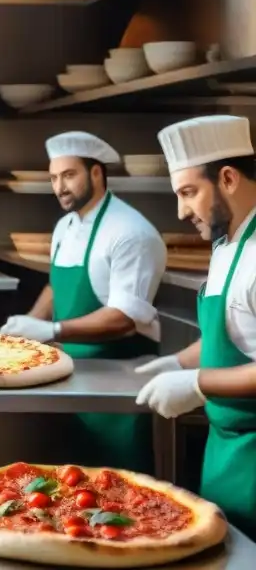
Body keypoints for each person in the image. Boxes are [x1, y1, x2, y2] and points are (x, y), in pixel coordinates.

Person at [0, 131, 166, 472]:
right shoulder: (65, 227)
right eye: (54, 177)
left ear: (96, 173)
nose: (59, 187)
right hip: (68, 375)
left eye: (69, 175)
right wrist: (28, 326)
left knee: (120, 489)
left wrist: (52, 329)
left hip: (117, 381)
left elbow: (124, 318)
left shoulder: (131, 232)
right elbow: (57, 285)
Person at [136, 115, 256, 538]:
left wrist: (197, 385)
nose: (181, 211)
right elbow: (232, 336)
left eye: (189, 193)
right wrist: (174, 362)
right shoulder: (226, 243)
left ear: (227, 178)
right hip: (224, 451)